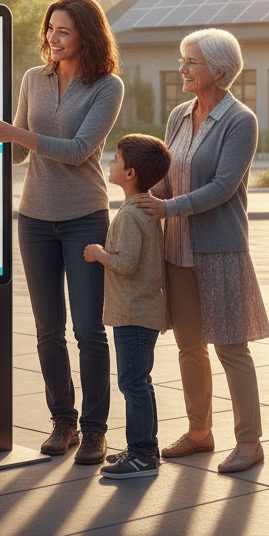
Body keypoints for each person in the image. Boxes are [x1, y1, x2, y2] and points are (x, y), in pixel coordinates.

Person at [0, 0, 123, 465]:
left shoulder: (107, 86)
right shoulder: (32, 79)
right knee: (47, 330)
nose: (52, 39)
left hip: (84, 216)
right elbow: (18, 153)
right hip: (33, 217)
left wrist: (15, 134)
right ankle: (64, 422)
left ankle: (96, 430)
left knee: (88, 329)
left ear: (87, 36)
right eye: (50, 29)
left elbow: (79, 150)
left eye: (63, 31)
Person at [133, 27, 269, 474]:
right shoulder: (178, 115)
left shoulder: (240, 120)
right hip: (178, 249)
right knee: (190, 346)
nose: (182, 68)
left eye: (191, 62)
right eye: (182, 60)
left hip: (221, 249)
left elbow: (223, 187)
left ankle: (249, 442)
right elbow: (168, 174)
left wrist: (168, 206)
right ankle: (199, 432)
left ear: (219, 70)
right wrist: (140, 195)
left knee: (232, 348)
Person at [84, 134, 172, 479]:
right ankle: (141, 448)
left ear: (131, 173)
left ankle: (143, 454)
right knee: (138, 382)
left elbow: (127, 264)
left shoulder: (133, 215)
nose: (110, 163)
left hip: (134, 315)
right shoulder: (140, 209)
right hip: (137, 313)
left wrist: (98, 254)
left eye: (116, 159)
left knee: (133, 384)